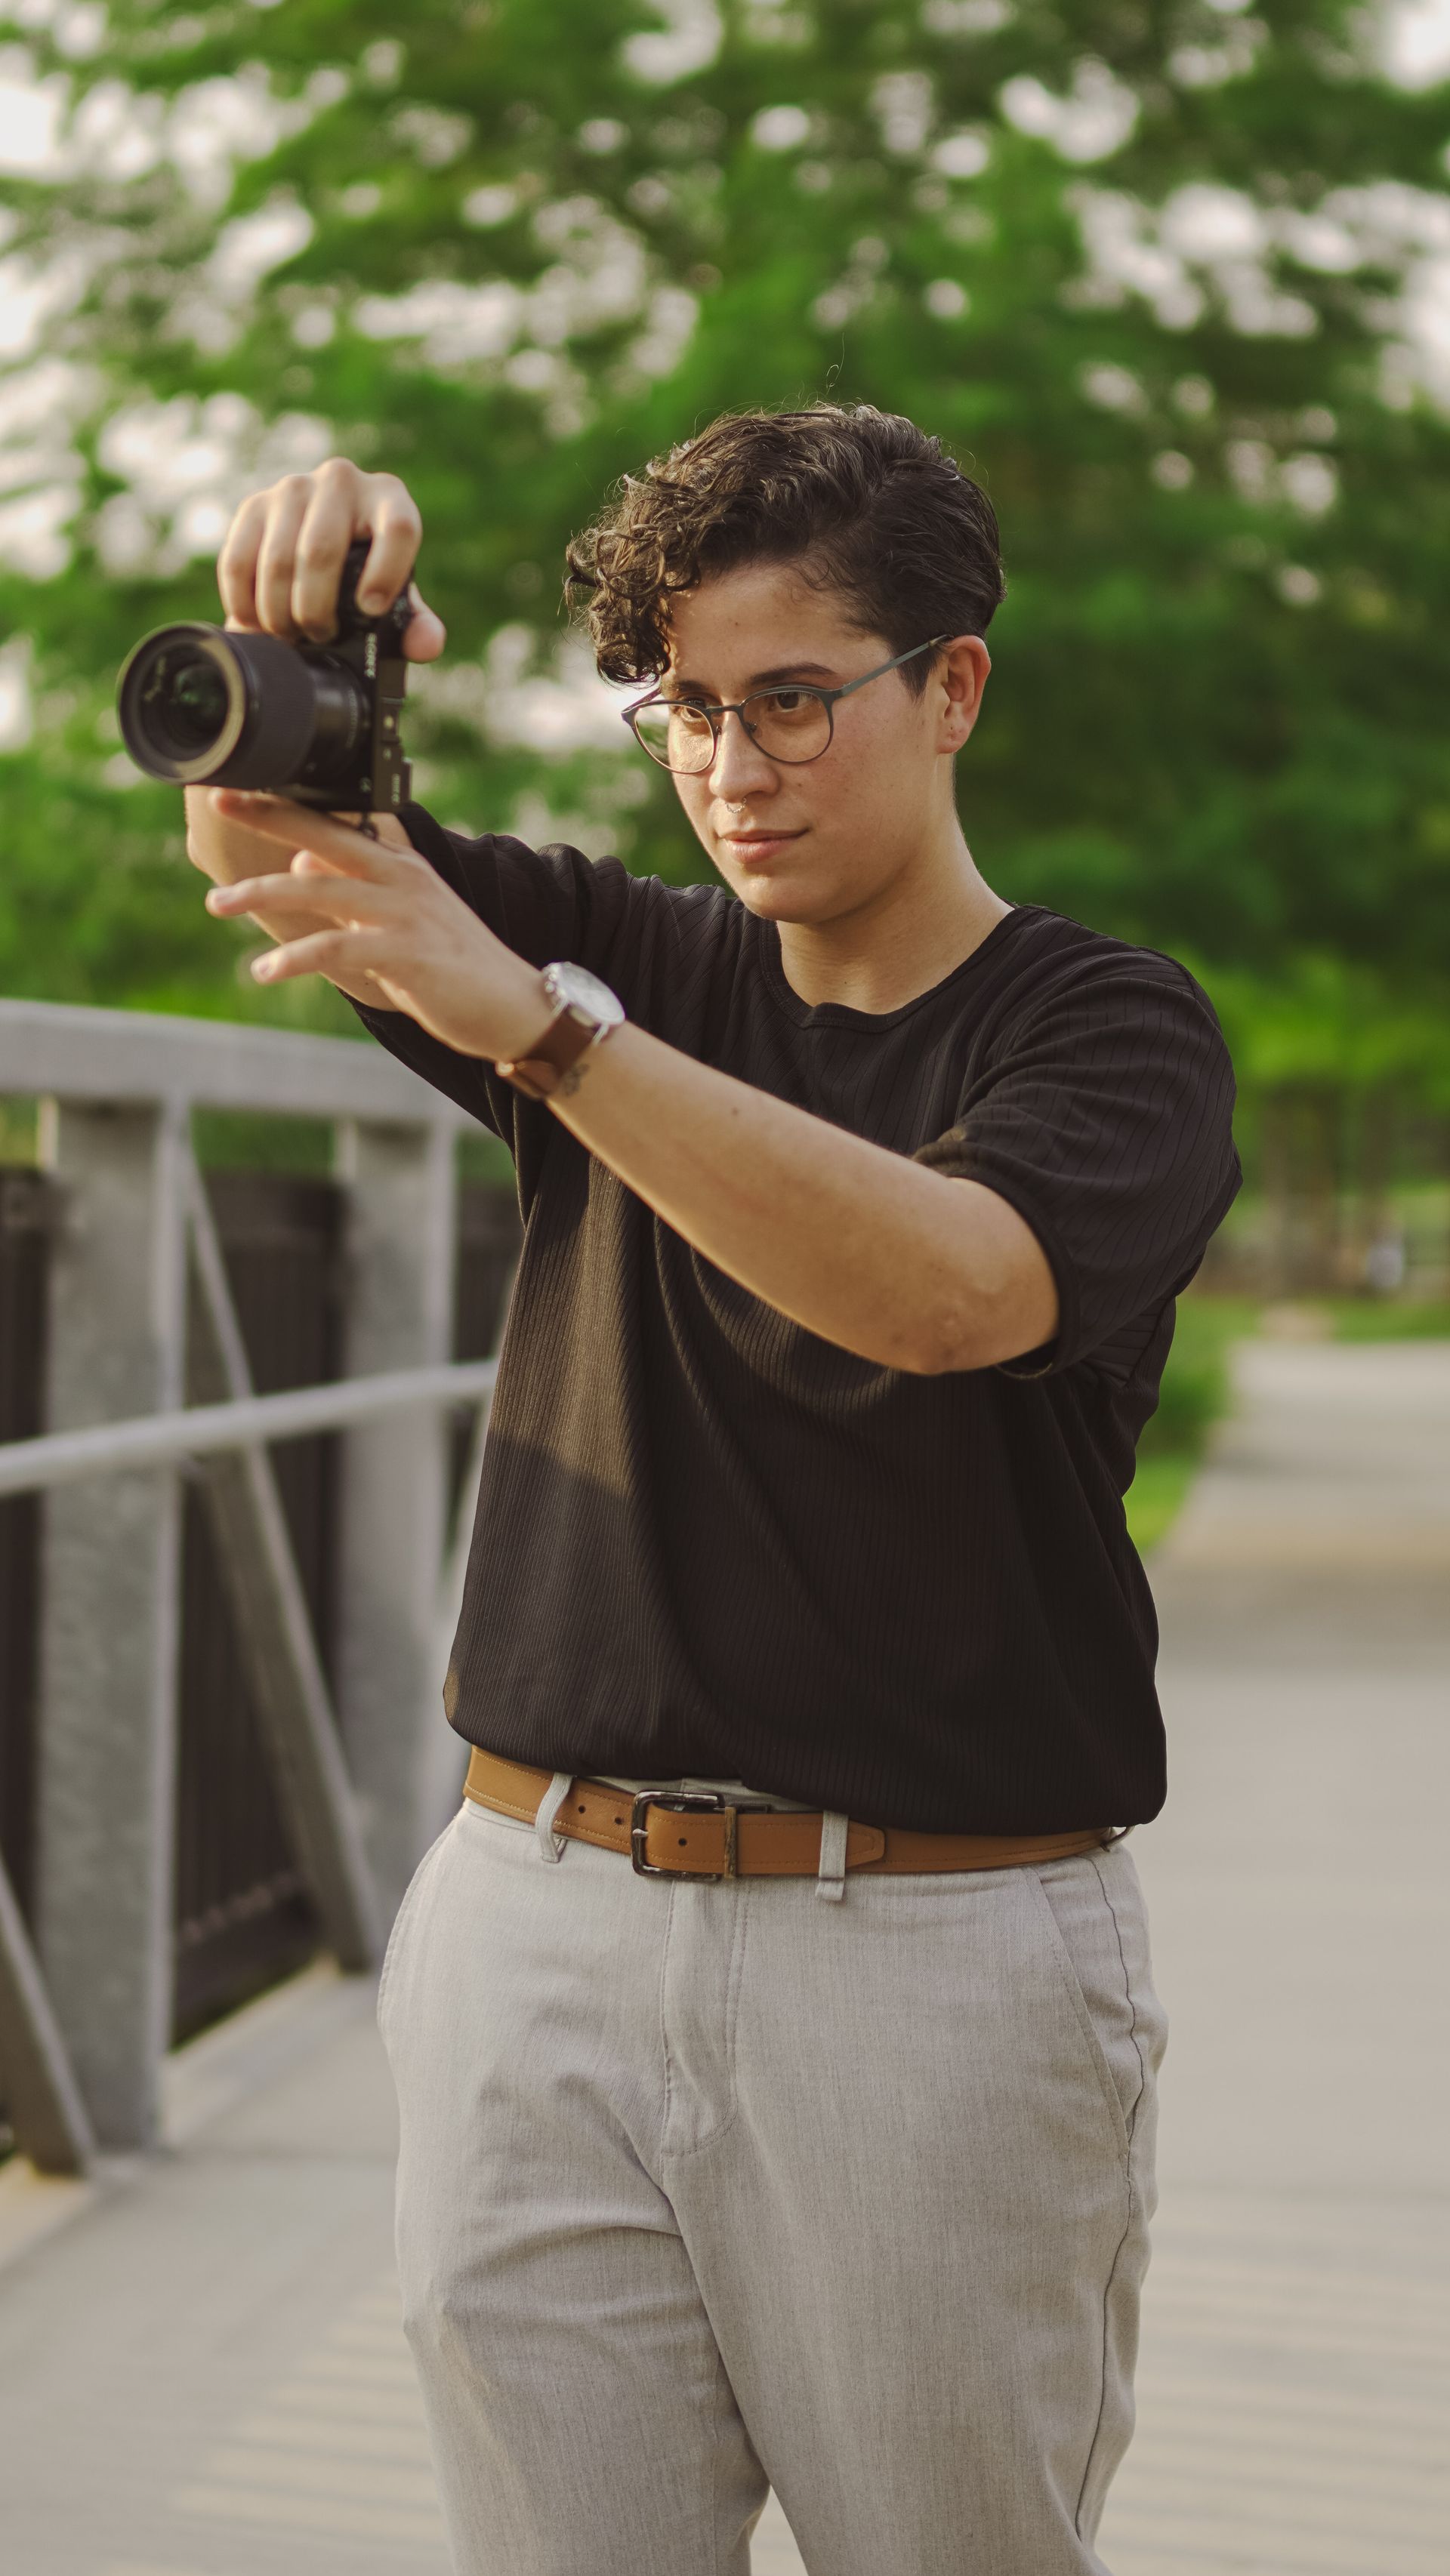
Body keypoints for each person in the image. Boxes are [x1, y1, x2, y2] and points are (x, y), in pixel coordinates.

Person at [188, 405, 1240, 2576]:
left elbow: (948, 1290)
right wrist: (312, 614)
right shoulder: (638, 956)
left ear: (951, 688)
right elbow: (273, 849)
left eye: (791, 701)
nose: (732, 766)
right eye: (682, 709)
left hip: (931, 1954)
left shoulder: (1109, 1032)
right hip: (536, 1920)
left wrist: (551, 1039)